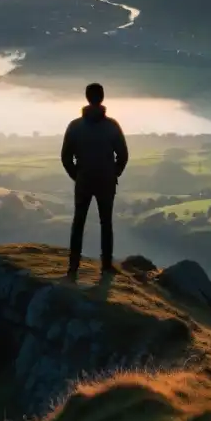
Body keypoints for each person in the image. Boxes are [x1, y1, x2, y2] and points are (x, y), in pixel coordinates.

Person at [61, 82, 128, 280]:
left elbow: (66, 157)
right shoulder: (112, 126)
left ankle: (73, 266)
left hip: (84, 179)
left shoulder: (75, 126)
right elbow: (123, 155)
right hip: (106, 181)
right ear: (102, 98)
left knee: (78, 222)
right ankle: (106, 265)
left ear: (87, 98)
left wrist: (77, 175)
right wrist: (114, 173)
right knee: (106, 222)